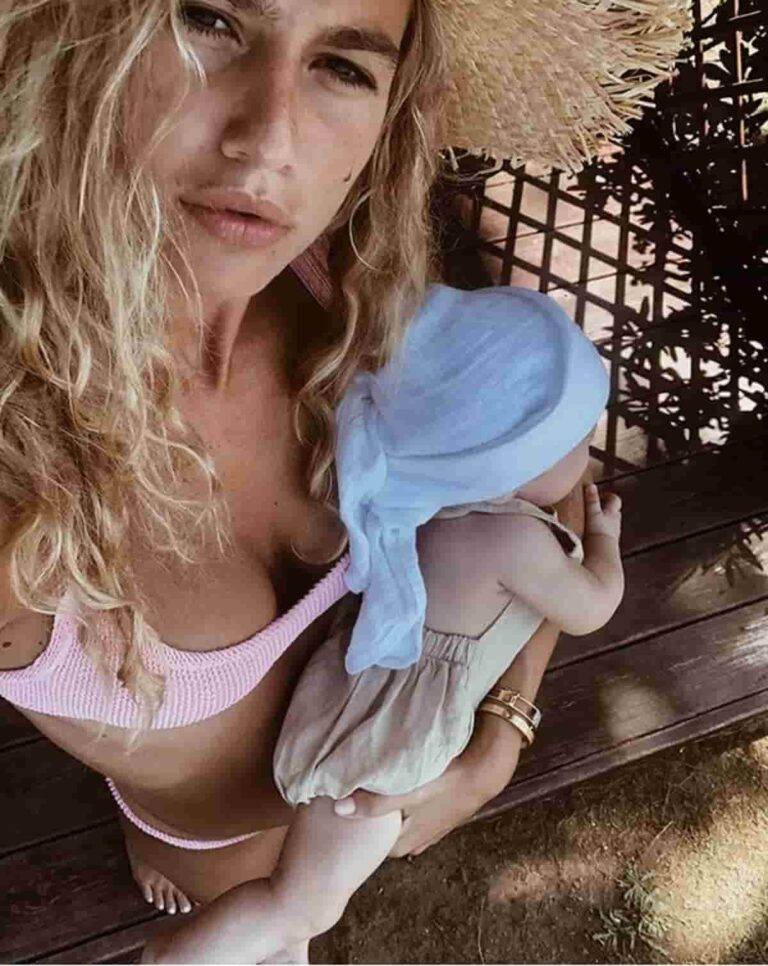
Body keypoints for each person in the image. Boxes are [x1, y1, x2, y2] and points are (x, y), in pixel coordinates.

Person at [0, 0, 690, 963]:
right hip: (224, 843)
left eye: (343, 67)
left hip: (371, 766)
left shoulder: (347, 294)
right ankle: (149, 840)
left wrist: (498, 737)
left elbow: (538, 494)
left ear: (389, 119)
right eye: (207, 19)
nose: (269, 141)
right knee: (247, 904)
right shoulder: (18, 478)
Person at [137, 277, 625, 963]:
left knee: (305, 891)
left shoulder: (412, 503)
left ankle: (285, 953)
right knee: (300, 900)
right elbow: (592, 609)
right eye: (573, 442)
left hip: (344, 702)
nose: (587, 454)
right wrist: (605, 543)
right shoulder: (514, 540)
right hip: (390, 749)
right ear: (498, 462)